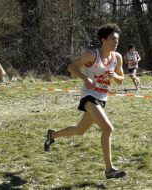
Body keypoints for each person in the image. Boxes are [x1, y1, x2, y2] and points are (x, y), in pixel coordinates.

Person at [44, 23, 127, 179]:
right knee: (108, 129)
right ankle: (109, 170)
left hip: (102, 98)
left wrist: (114, 76)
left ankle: (52, 135)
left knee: (80, 130)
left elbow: (121, 80)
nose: (116, 42)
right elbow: (72, 67)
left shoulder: (117, 58)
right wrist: (85, 77)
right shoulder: (92, 55)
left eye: (117, 40)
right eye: (112, 39)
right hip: (89, 96)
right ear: (103, 40)